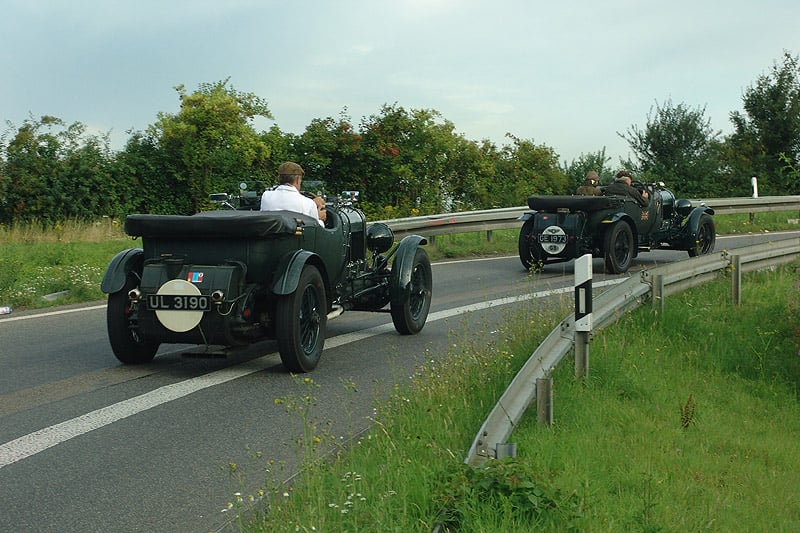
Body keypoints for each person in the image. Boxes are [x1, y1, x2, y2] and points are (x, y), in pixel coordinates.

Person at [260, 162, 326, 226]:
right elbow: (315, 229)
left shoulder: (266, 196)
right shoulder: (308, 204)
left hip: (271, 236)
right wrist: (320, 219)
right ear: (297, 180)